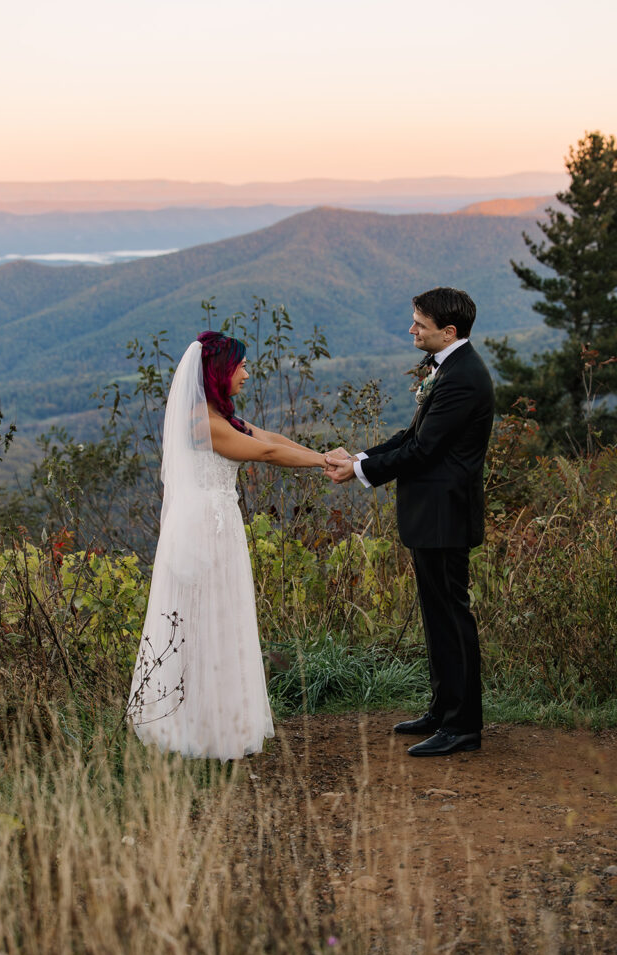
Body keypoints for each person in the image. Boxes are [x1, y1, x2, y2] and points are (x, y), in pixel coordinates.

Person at [129, 331, 326, 761]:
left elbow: (270, 438)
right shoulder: (201, 423)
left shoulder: (219, 416)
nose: (247, 374)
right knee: (202, 621)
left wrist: (326, 456)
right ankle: (197, 729)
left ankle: (217, 721)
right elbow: (266, 455)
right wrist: (326, 463)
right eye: (240, 367)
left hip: (220, 525)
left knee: (220, 617)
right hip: (203, 530)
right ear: (220, 371)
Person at [326, 287, 494, 756]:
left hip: (445, 515)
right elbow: (412, 434)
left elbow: (423, 451)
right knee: (437, 617)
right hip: (433, 514)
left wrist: (359, 471)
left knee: (452, 618)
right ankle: (443, 711)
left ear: (449, 331)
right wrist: (360, 456)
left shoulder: (462, 377)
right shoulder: (449, 369)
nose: (411, 329)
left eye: (419, 323)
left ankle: (463, 727)